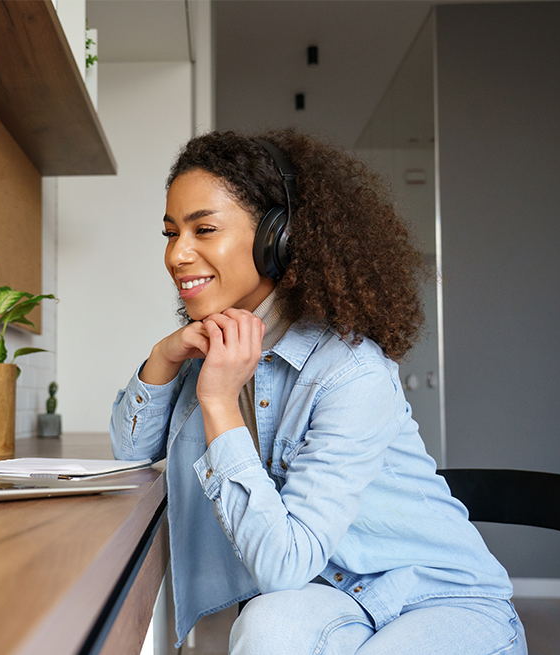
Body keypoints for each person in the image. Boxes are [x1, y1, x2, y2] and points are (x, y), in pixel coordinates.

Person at [110, 129, 527, 654]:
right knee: (267, 629)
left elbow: (282, 563)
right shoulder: (215, 351)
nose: (177, 255)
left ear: (278, 237)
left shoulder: (351, 372)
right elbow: (130, 454)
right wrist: (163, 358)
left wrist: (218, 403)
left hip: (440, 599)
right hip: (334, 598)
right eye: (171, 234)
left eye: (204, 229)